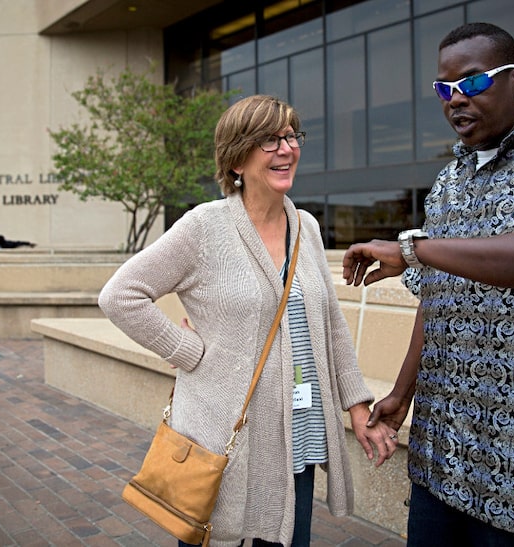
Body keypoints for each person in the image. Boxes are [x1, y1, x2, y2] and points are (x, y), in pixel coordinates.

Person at [343, 23, 514, 546]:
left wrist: (411, 249)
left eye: (471, 83)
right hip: (439, 461)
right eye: (444, 89)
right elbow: (435, 300)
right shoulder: (450, 181)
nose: (455, 100)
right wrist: (402, 396)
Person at [99, 94, 397, 547]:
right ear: (236, 158)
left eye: (290, 136)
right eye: (267, 140)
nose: (285, 148)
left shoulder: (307, 227)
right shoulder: (205, 227)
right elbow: (120, 295)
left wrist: (357, 404)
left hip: (297, 434)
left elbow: (331, 324)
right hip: (226, 443)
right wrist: (190, 353)